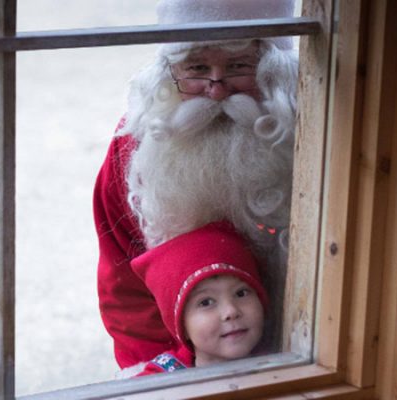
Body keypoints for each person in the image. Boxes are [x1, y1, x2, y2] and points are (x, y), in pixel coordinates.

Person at [93, 0, 298, 373]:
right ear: (169, 70)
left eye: (238, 67)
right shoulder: (137, 146)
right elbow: (123, 286)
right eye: (197, 69)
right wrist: (163, 375)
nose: (216, 91)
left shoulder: (303, 132)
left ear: (273, 69)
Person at [129, 221, 268, 375]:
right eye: (206, 302)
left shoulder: (288, 356)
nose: (231, 311)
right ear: (181, 326)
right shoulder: (161, 381)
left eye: (241, 293)